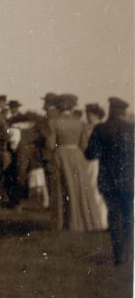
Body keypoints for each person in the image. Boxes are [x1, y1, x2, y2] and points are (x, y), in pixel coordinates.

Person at [85, 97, 134, 265]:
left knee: (114, 215)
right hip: (129, 178)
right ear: (123, 112)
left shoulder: (100, 129)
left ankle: (118, 255)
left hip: (108, 179)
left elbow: (90, 154)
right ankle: (128, 253)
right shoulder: (131, 129)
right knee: (128, 215)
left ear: (111, 110)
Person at [46, 94, 104, 231]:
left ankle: (64, 222)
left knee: (62, 188)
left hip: (61, 154)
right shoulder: (80, 123)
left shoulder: (53, 122)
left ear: (59, 107)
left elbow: (50, 144)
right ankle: (81, 221)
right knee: (79, 187)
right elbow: (84, 145)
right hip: (77, 155)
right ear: (72, 107)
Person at [84, 104, 109, 231]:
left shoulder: (98, 128)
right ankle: (95, 220)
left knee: (95, 190)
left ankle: (100, 221)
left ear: (96, 115)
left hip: (96, 162)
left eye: (89, 114)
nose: (87, 117)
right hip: (91, 162)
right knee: (92, 190)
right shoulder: (89, 127)